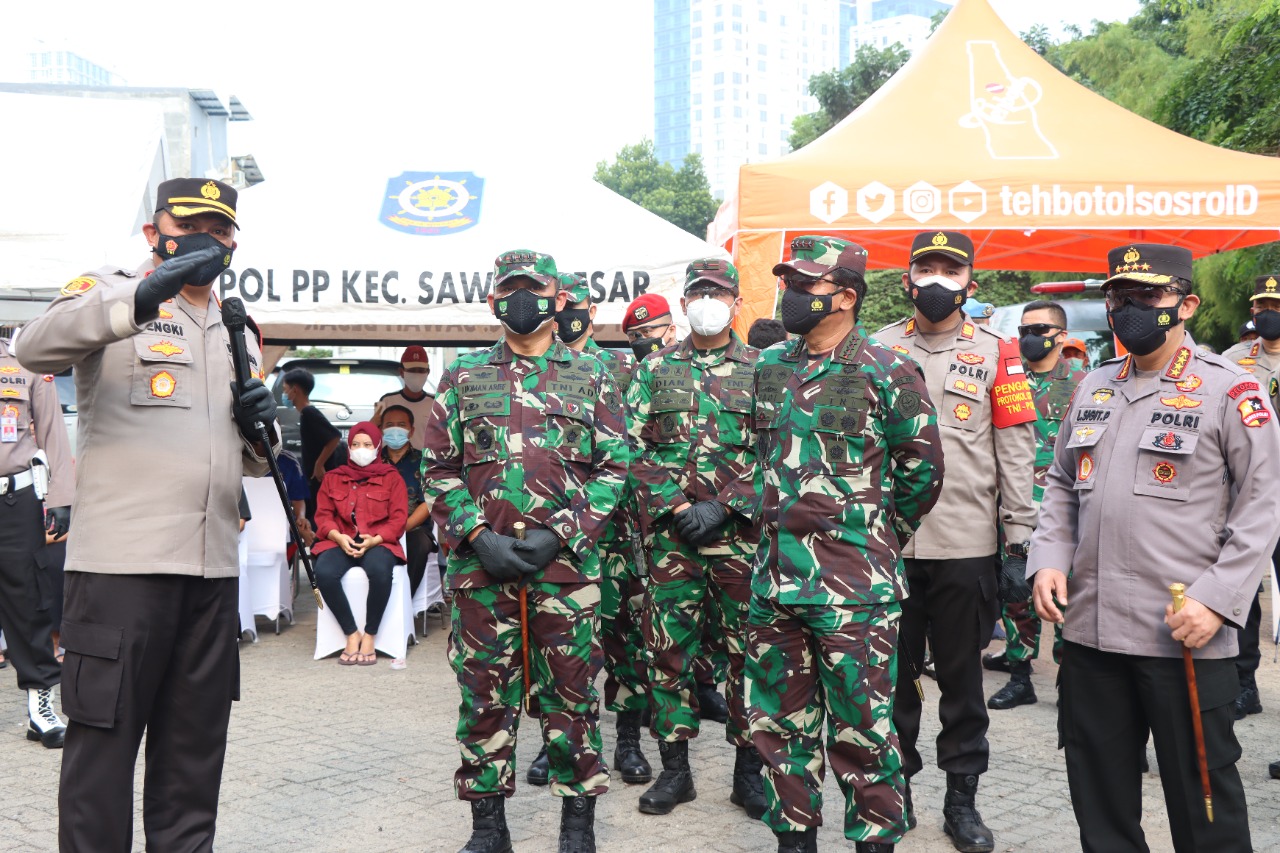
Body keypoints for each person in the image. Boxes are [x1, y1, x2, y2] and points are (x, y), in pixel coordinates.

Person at [14, 177, 279, 851]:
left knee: (193, 760)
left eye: (220, 230)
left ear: (234, 241)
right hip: (121, 571)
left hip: (211, 571)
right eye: (189, 226)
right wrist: (143, 295)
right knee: (102, 759)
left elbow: (254, 459)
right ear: (154, 233)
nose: (207, 240)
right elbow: (33, 347)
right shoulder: (108, 292)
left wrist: (264, 429)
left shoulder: (238, 327)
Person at [1029, 242, 1280, 853]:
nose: (1130, 307)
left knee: (1205, 809)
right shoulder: (1093, 385)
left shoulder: (1230, 389)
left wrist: (1217, 600)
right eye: (1119, 296)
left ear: (1186, 305)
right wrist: (1050, 558)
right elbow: (1061, 482)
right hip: (1090, 631)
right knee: (1101, 805)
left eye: (1148, 295)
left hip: (1183, 631)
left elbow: (1264, 503)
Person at [422, 249, 627, 853]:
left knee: (573, 697)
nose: (521, 300)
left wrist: (559, 531)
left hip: (565, 574)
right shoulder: (463, 375)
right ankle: (488, 830)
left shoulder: (593, 375)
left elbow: (616, 467)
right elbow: (438, 469)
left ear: (558, 299)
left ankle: (577, 827)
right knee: (483, 698)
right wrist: (478, 536)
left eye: (533, 290)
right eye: (509, 290)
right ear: (493, 301)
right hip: (482, 574)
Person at [744, 236, 944, 853]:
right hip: (775, 585)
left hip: (855, 591)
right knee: (777, 733)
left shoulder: (888, 369)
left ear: (847, 297)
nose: (791, 294)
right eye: (789, 282)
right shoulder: (769, 365)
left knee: (865, 735)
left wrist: (874, 537)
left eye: (806, 285)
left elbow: (922, 471)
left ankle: (874, 842)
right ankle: (794, 841)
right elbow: (756, 460)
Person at [875, 231, 1037, 853]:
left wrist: (1018, 541)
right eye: (927, 268)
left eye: (952, 269)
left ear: (971, 281)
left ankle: (962, 801)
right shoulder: (877, 348)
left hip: (965, 544)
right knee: (892, 681)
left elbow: (1015, 451)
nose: (938, 280)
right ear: (908, 278)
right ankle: (895, 792)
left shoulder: (999, 353)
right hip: (889, 544)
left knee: (963, 683)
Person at [626, 258, 764, 820]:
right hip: (673, 541)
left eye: (719, 292)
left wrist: (725, 504)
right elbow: (627, 445)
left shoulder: (764, 368)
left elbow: (778, 447)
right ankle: (675, 772)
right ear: (683, 304)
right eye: (699, 292)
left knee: (747, 654)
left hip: (740, 541)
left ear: (736, 302)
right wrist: (678, 505)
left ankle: (748, 774)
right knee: (668, 652)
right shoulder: (654, 369)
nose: (709, 301)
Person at [522, 273, 650, 788]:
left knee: (624, 639)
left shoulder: (619, 368)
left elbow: (633, 450)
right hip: (555, 543)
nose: (567, 313)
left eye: (575, 305)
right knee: (554, 646)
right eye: (562, 304)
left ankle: (628, 740)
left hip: (613, 534)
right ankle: (552, 742)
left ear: (589, 310)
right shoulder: (528, 369)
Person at [984, 301, 1087, 710]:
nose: (1030, 337)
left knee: (1065, 593)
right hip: (1014, 505)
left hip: (1064, 508)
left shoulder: (1082, 382)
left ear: (1061, 336)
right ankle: (1020, 675)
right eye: (1024, 330)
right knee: (1015, 592)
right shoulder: (1008, 379)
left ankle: (1070, 678)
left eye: (1039, 329)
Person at [0, 336, 73, 748]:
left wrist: (61, 497)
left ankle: (40, 710)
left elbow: (52, 431)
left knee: (29, 605)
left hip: (14, 500)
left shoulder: (24, 360)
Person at [1220, 273, 1280, 721]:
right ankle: (1245, 685)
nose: (1268, 313)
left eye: (1276, 306)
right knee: (1242, 586)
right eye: (1262, 306)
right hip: (1250, 492)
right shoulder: (1234, 360)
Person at [313, 421, 408, 665]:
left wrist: (376, 539)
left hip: (377, 541)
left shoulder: (392, 478)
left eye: (367, 444)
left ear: (377, 447)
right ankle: (351, 633)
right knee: (323, 572)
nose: (361, 449)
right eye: (355, 444)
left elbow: (398, 519)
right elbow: (322, 515)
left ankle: (370, 635)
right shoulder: (333, 478)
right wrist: (337, 536)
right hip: (341, 540)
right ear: (348, 447)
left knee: (379, 570)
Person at [378, 405, 435, 596]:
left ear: (411, 431)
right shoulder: (372, 462)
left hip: (413, 528)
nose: (395, 429)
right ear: (381, 429)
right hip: (375, 528)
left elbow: (428, 502)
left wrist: (401, 528)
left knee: (419, 544)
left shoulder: (425, 462)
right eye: (389, 425)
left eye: (401, 425)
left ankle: (404, 601)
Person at [282, 367, 342, 520]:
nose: (284, 394)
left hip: (320, 479)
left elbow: (334, 436)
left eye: (285, 390)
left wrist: (319, 464)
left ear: (295, 390)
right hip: (312, 479)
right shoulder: (305, 414)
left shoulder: (310, 413)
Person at [373, 345, 435, 449]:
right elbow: (374, 432)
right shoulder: (385, 400)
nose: (416, 374)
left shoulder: (437, 403)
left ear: (428, 372)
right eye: (412, 370)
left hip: (425, 459)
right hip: (392, 458)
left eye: (421, 370)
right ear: (401, 372)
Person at [622, 293, 679, 361]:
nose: (640, 340)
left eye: (646, 331)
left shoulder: (689, 363)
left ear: (671, 330)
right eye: (632, 335)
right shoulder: (628, 366)